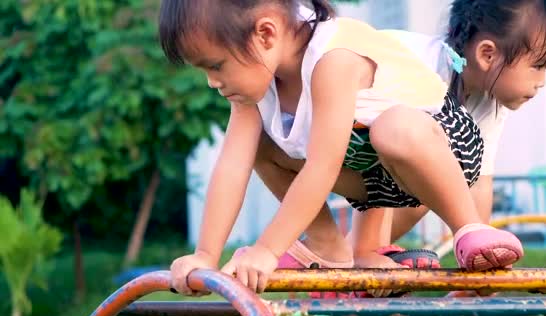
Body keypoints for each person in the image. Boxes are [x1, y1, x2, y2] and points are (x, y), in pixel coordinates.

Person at [159, 0, 524, 296]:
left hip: (442, 149)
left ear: (266, 34)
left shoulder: (333, 58)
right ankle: (328, 247)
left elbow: (322, 167)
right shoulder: (254, 88)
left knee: (394, 127)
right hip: (373, 173)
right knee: (260, 144)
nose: (211, 82)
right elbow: (231, 166)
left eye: (215, 65)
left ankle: (468, 228)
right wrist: (205, 255)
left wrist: (266, 250)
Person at [349, 0, 546, 273]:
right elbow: (380, 149)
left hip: (369, 159)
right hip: (323, 136)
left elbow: (477, 181)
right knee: (421, 155)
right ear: (487, 55)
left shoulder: (490, 99)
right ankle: (360, 249)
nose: (543, 81)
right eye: (538, 66)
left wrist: (487, 259)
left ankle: (355, 252)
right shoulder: (415, 66)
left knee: (442, 176)